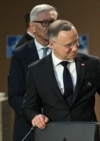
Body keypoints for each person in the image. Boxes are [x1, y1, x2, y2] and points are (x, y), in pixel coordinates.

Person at [22, 19, 100, 134]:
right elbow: (29, 107)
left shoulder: (91, 64)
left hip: (86, 134)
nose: (74, 48)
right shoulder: (36, 70)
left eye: (76, 42)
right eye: (69, 45)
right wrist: (35, 116)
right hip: (54, 134)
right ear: (52, 44)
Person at [8, 4, 58, 141]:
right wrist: (33, 115)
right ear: (32, 26)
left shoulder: (65, 50)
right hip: (29, 128)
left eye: (54, 22)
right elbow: (15, 95)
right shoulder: (20, 54)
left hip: (60, 127)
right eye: (45, 23)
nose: (51, 27)